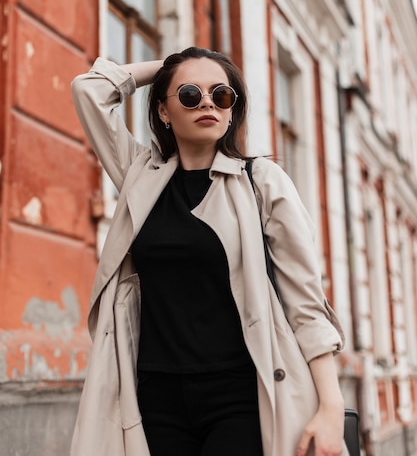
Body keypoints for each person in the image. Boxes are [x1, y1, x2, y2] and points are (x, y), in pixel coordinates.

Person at [70, 47, 348, 456]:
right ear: (164, 112)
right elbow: (88, 90)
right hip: (153, 396)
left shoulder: (262, 183)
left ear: (232, 111)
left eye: (221, 95)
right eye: (187, 94)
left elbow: (305, 303)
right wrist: (168, 67)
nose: (206, 102)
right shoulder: (140, 176)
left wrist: (331, 404)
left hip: (240, 395)